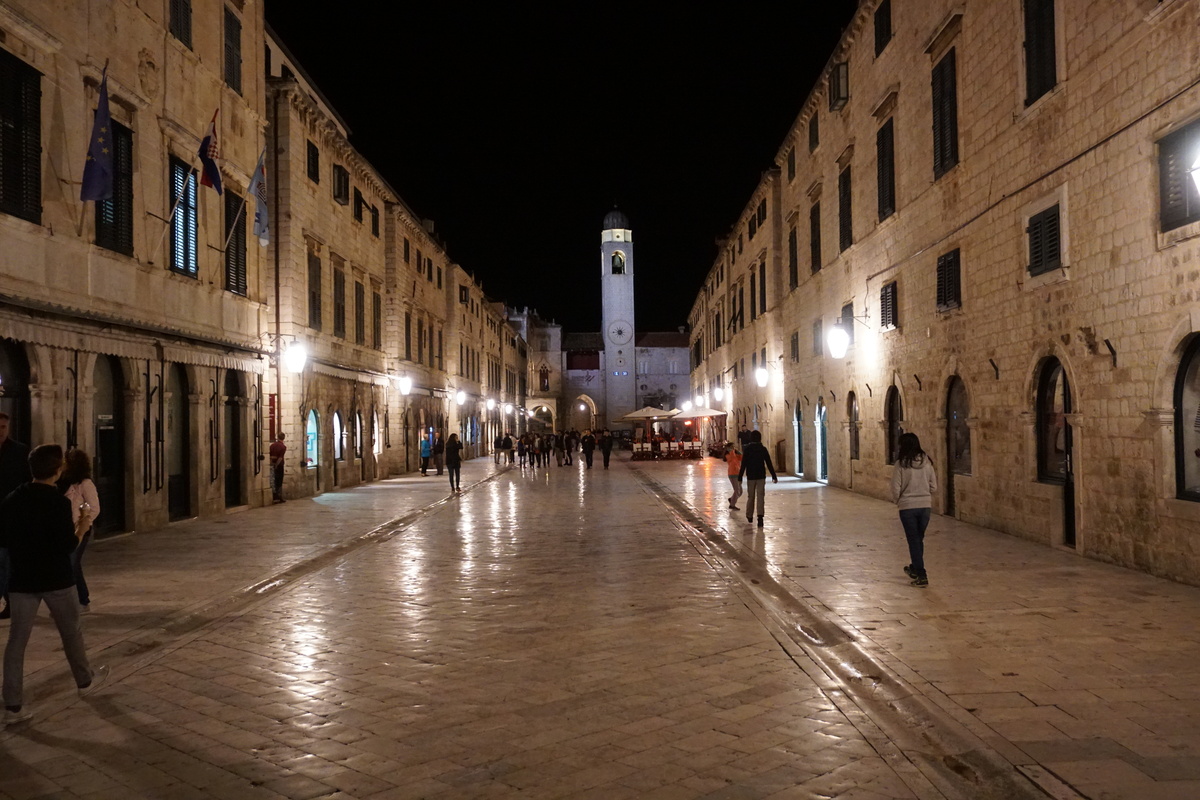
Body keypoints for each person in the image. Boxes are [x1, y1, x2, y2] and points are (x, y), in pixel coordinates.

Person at [1, 444, 108, 724]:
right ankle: (85, 681)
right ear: (58, 470)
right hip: (57, 579)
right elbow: (66, 546)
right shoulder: (58, 503)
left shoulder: (13, 499)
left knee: (16, 642)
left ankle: (13, 706)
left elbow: (4, 539)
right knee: (71, 632)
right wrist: (83, 525)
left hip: (22, 580)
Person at [892, 432, 938, 587]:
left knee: (914, 541)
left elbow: (895, 487)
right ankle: (914, 568)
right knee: (918, 539)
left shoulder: (901, 464)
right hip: (925, 507)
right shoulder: (927, 462)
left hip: (908, 507)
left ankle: (921, 574)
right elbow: (934, 486)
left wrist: (898, 500)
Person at [58, 450, 99, 611]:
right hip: (65, 530)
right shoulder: (62, 482)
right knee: (72, 564)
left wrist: (82, 522)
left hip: (80, 530)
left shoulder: (85, 484)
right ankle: (78, 599)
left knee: (72, 564)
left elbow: (94, 508)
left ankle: (81, 601)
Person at [0, 412, 31, 621]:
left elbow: (27, 482)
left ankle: (9, 603)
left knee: (7, 562)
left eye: (3, 427)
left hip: (11, 516)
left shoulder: (20, 451)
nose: (0, 431)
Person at [738, 430, 777, 527]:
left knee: (751, 496)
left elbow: (743, 464)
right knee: (760, 497)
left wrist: (740, 477)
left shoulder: (747, 449)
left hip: (751, 476)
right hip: (761, 476)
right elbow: (769, 463)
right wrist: (773, 476)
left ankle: (749, 515)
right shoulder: (763, 449)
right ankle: (760, 517)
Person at [724, 443, 743, 510]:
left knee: (740, 491)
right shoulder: (728, 455)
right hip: (732, 474)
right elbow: (732, 457)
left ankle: (731, 499)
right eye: (732, 447)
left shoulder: (735, 454)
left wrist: (738, 452)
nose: (733, 448)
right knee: (737, 490)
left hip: (738, 473)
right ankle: (732, 505)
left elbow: (741, 457)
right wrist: (732, 450)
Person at [269, 433, 287, 503]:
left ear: (277, 437)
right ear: (284, 438)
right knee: (279, 481)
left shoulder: (272, 445)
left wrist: (272, 463)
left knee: (273, 481)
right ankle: (279, 497)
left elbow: (270, 455)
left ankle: (274, 496)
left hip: (271, 464)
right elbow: (280, 458)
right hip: (279, 466)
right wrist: (276, 465)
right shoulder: (283, 447)